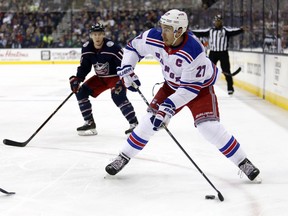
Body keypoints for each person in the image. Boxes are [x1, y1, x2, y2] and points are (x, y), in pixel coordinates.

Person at [105, 9, 260, 182]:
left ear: (179, 31)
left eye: (167, 29)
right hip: (171, 86)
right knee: (148, 122)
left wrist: (167, 108)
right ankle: (123, 156)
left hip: (200, 88)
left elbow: (188, 91)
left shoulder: (194, 52)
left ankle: (243, 161)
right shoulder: (155, 36)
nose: (162, 32)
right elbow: (132, 47)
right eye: (162, 27)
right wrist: (128, 67)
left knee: (208, 127)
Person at [69, 23, 138, 136]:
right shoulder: (87, 48)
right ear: (91, 35)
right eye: (95, 34)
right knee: (81, 92)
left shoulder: (113, 47)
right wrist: (78, 78)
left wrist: (128, 77)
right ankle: (89, 122)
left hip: (115, 77)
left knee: (117, 95)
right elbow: (85, 67)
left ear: (103, 35)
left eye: (100, 34)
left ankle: (134, 124)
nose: (97, 37)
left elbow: (124, 64)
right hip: (100, 78)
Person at [192, 14, 244, 95]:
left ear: (221, 22)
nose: (217, 22)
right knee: (208, 70)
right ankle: (205, 87)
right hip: (213, 53)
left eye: (219, 21)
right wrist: (190, 32)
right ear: (214, 22)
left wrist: (241, 30)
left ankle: (230, 88)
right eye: (216, 21)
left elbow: (234, 31)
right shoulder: (210, 31)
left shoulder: (225, 30)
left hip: (223, 53)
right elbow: (201, 33)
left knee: (226, 70)